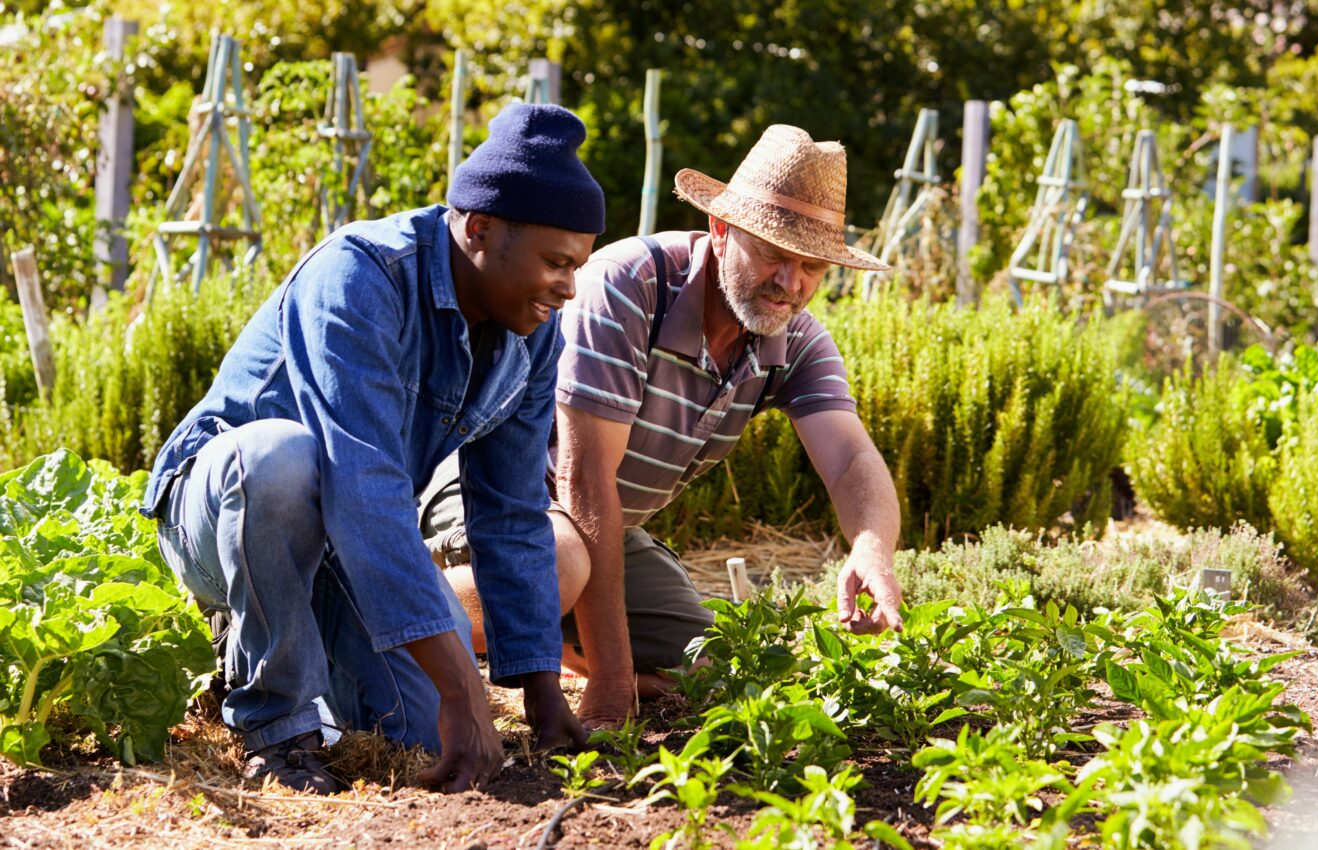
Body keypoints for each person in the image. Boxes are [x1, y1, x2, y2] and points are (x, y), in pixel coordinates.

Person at [140, 103, 602, 793]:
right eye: (556, 263)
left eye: (578, 266)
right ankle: (277, 728)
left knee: (420, 730)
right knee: (281, 457)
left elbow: (509, 513)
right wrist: (463, 690)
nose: (569, 288)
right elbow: (364, 486)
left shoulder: (532, 336)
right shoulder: (363, 277)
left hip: (338, 541)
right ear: (479, 229)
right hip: (222, 512)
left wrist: (539, 694)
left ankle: (296, 653)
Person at [421, 124, 905, 728]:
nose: (791, 282)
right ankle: (385, 633)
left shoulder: (793, 337)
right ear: (722, 231)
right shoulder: (631, 284)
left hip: (603, 529)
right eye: (775, 255)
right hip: (495, 496)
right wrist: (614, 686)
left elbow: (852, 459)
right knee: (562, 563)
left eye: (811, 266)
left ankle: (552, 642)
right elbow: (582, 478)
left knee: (719, 663)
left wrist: (871, 547)